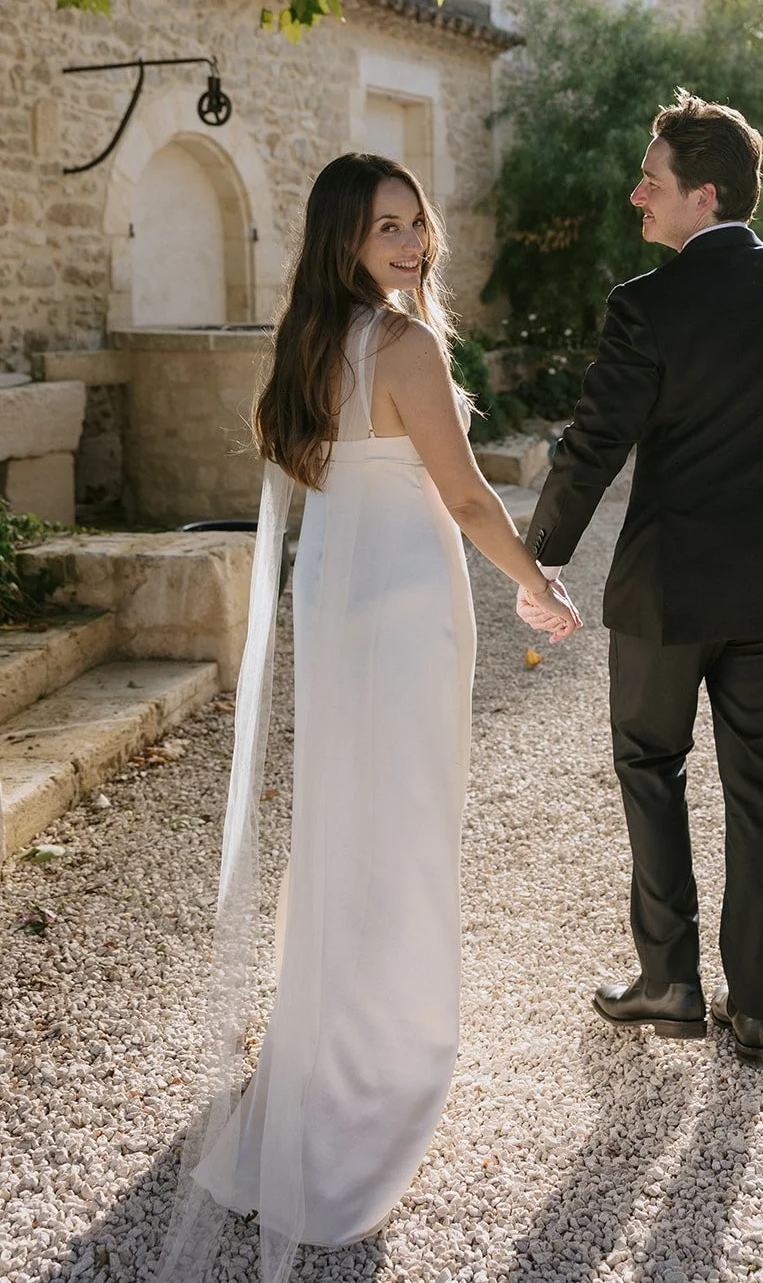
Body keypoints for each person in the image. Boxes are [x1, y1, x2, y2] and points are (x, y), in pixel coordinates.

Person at [159, 153, 580, 1283]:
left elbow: (314, 466)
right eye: (385, 227)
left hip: (340, 585)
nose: (410, 243)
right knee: (399, 818)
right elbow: (465, 494)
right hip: (403, 599)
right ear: (346, 239)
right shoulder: (404, 343)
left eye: (416, 222)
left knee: (354, 811)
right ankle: (382, 1053)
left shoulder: (312, 339)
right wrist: (535, 583)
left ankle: (326, 1032)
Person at [519, 91, 763, 1064]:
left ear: (703, 194)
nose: (636, 195)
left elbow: (592, 447)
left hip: (667, 593)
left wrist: (541, 556)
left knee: (649, 763)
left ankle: (668, 981)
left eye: (651, 180)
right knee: (760, 792)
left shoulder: (646, 303)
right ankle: (753, 1005)